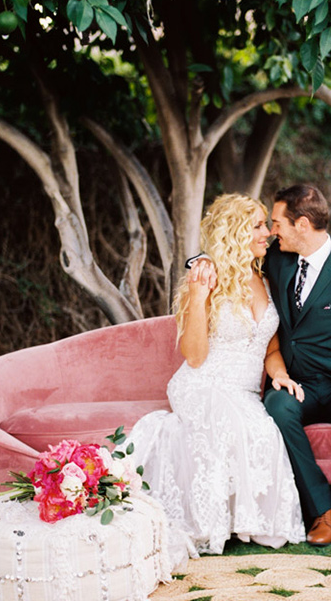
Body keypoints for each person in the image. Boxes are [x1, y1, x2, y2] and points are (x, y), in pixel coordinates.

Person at [191, 184, 331, 546]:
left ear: (301, 224)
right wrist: (200, 261)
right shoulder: (277, 257)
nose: (271, 231)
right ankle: (322, 509)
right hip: (294, 383)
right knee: (276, 406)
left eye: (276, 223)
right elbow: (229, 249)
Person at [127, 193, 305, 559]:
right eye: (256, 226)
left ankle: (248, 523)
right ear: (236, 231)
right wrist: (197, 294)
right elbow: (194, 356)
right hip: (201, 382)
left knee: (263, 431)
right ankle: (210, 525)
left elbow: (270, 350)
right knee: (230, 424)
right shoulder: (208, 277)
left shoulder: (267, 279)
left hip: (244, 391)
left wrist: (281, 375)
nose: (266, 234)